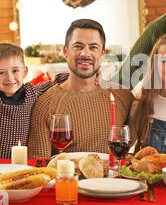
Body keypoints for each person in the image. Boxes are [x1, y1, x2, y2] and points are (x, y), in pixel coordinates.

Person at [28, 19, 134, 159]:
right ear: (65, 51)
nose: (85, 53)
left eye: (93, 47)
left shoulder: (124, 97)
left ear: (102, 54)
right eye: (78, 46)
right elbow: (38, 166)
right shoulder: (45, 103)